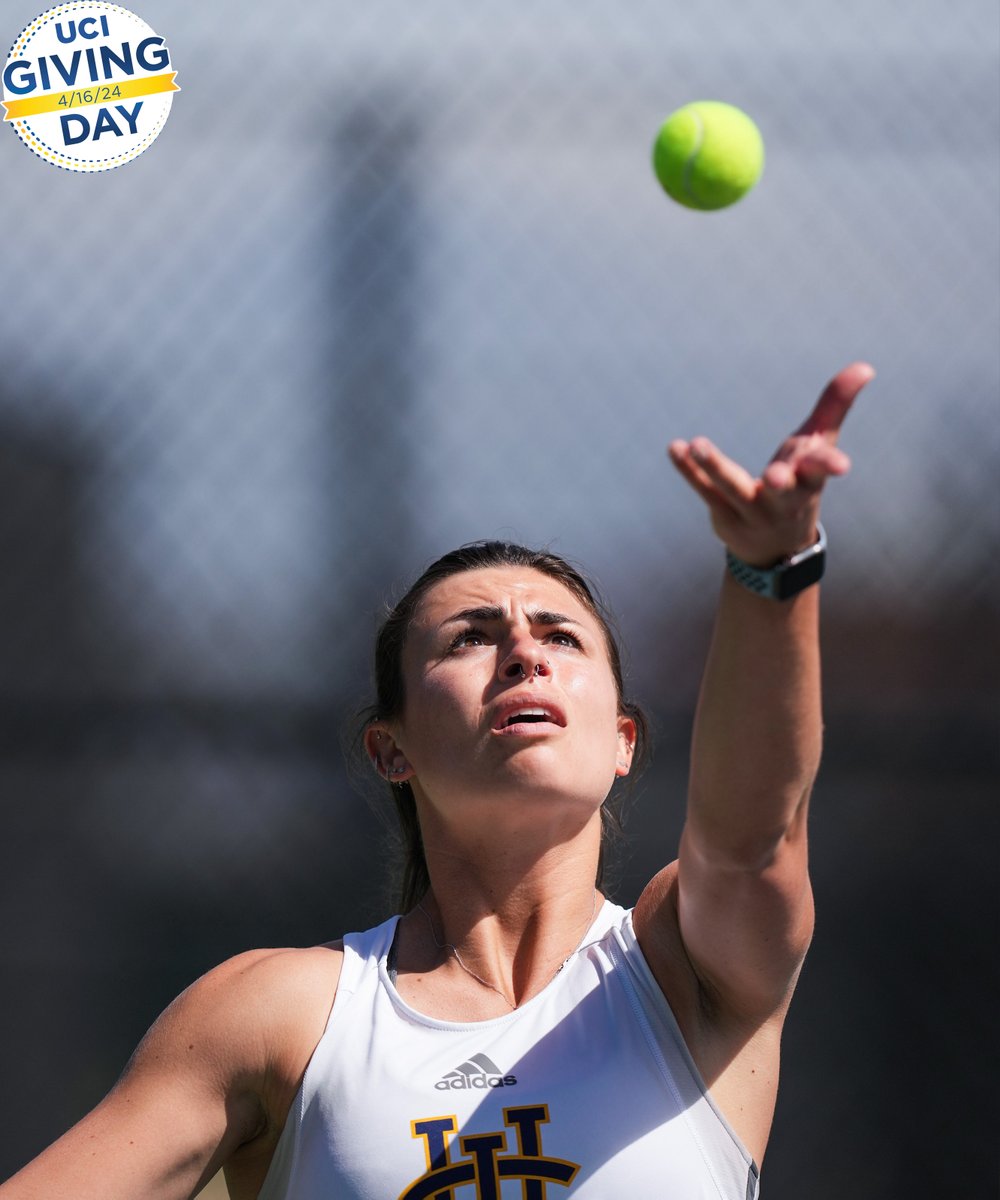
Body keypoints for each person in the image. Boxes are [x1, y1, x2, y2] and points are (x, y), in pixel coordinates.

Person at [0, 362, 875, 1199]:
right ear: (392, 750)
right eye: (470, 637)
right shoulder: (279, 1016)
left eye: (561, 637)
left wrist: (771, 574)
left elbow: (752, 834)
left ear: (623, 742)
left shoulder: (686, 966)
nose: (524, 651)